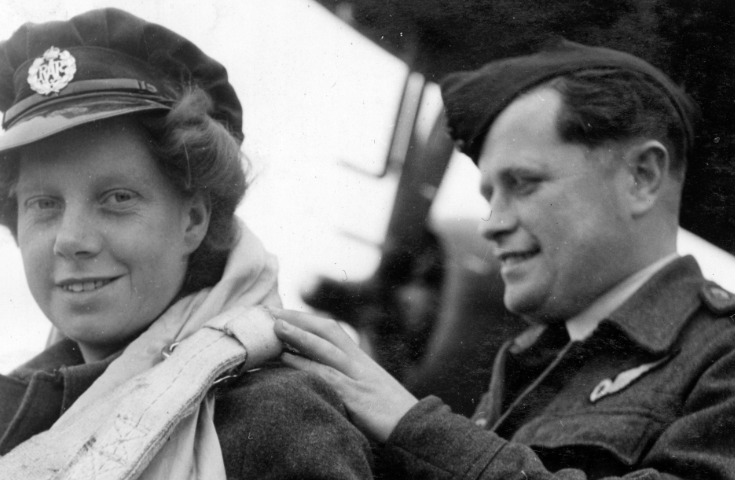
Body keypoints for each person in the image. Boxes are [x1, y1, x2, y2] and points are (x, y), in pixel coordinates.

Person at [0, 8, 371, 479]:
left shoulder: (271, 419)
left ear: (193, 220)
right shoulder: (1, 426)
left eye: (117, 198)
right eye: (43, 204)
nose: (71, 241)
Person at [273, 39, 735, 479]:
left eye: (524, 184)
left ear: (642, 177)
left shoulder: (722, 357)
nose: (490, 225)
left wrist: (412, 428)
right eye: (490, 195)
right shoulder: (530, 357)